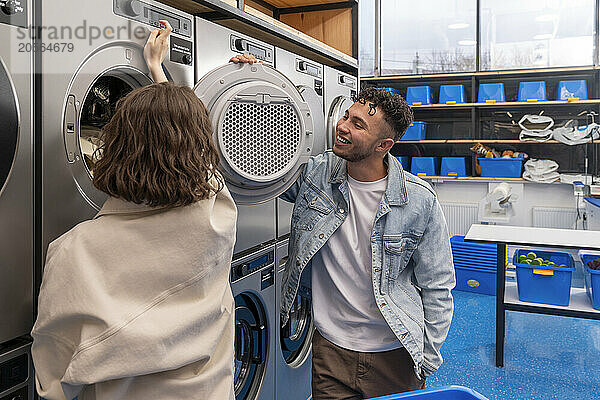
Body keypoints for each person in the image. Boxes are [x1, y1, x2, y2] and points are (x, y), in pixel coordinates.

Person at [31, 21, 237, 400]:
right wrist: (158, 71)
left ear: (114, 146)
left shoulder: (75, 250)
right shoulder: (217, 218)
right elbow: (193, 150)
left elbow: (53, 373)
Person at [231, 56, 456, 399]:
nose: (343, 126)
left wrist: (426, 359)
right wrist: (257, 77)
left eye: (359, 125)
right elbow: (257, 160)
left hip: (393, 352)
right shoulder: (316, 174)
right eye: (347, 116)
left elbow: (438, 284)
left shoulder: (418, 200)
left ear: (384, 146)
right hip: (329, 349)